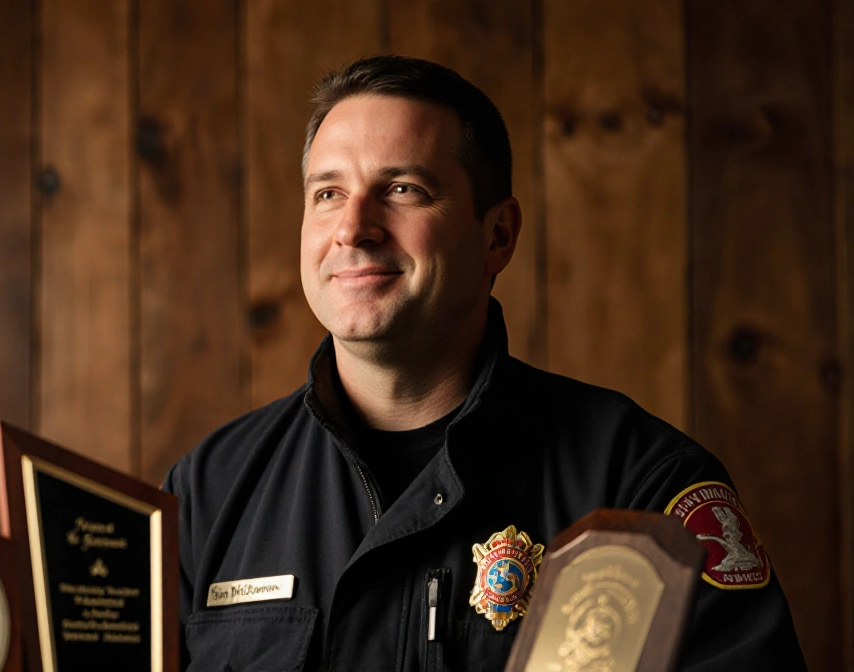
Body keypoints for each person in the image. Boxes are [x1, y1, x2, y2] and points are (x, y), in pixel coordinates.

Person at [163, 55, 806, 671]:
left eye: (403, 188)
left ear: (498, 235)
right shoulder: (207, 493)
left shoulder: (646, 488)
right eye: (328, 193)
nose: (353, 227)